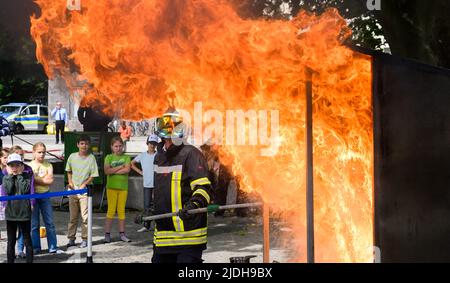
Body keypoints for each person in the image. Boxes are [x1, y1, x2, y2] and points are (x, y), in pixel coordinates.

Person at [152, 109, 213, 263]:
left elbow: (203, 188)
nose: (168, 142)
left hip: (189, 235)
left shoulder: (191, 154)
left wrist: (194, 204)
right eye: (166, 138)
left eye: (172, 138)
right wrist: (151, 210)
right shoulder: (159, 157)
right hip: (164, 236)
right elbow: (160, 192)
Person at [65, 135, 99, 249]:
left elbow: (93, 175)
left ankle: (85, 239)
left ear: (89, 145)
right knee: (73, 217)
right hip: (73, 190)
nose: (84, 146)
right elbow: (68, 170)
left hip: (85, 192)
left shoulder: (91, 158)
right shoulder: (72, 156)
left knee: (85, 217)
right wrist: (70, 182)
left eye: (86, 143)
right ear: (78, 145)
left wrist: (85, 183)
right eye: (82, 143)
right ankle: (71, 238)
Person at [29, 142, 64, 254]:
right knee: (34, 224)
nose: (42, 154)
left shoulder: (49, 165)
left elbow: (50, 181)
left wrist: (36, 179)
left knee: (49, 222)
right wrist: (43, 180)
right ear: (33, 152)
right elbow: (31, 182)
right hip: (33, 197)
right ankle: (36, 248)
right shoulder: (29, 166)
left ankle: (53, 247)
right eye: (39, 152)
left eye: (44, 152)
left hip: (45, 195)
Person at [2, 153, 34, 263]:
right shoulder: (6, 178)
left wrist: (20, 175)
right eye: (12, 165)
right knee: (11, 241)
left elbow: (25, 189)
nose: (14, 168)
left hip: (24, 213)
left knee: (27, 240)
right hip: (11, 214)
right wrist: (11, 176)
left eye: (17, 165)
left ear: (22, 165)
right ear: (8, 166)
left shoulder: (27, 176)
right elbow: (8, 189)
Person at [103, 137, 132, 243]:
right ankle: (107, 234)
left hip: (123, 188)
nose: (118, 148)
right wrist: (121, 167)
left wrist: (113, 170)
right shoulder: (108, 157)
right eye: (116, 146)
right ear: (112, 147)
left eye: (120, 146)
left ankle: (122, 234)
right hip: (111, 187)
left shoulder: (126, 157)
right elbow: (107, 171)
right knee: (111, 210)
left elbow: (127, 169)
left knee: (121, 210)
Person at [130, 134, 160, 232]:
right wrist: (140, 172)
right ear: (147, 143)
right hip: (147, 184)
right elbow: (132, 163)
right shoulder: (142, 155)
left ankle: (158, 225)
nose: (152, 145)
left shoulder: (158, 155)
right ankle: (146, 225)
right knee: (147, 205)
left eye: (154, 143)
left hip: (157, 184)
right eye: (151, 143)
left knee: (157, 205)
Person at [0, 148, 10, 240]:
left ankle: (10, 232)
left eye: (8, 157)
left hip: (6, 192)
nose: (6, 160)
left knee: (7, 213)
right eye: (4, 157)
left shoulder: (9, 169)